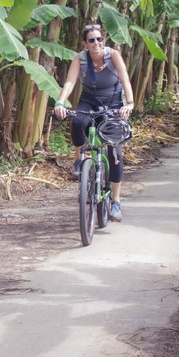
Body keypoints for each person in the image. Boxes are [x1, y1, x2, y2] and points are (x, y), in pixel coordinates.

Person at [54, 24, 135, 222]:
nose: (96, 43)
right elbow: (70, 82)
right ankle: (80, 161)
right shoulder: (80, 59)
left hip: (113, 101)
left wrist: (130, 103)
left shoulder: (113, 55)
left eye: (99, 39)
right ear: (85, 44)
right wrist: (60, 102)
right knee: (77, 121)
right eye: (91, 40)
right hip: (89, 100)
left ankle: (115, 201)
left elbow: (124, 79)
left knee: (114, 153)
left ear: (103, 41)